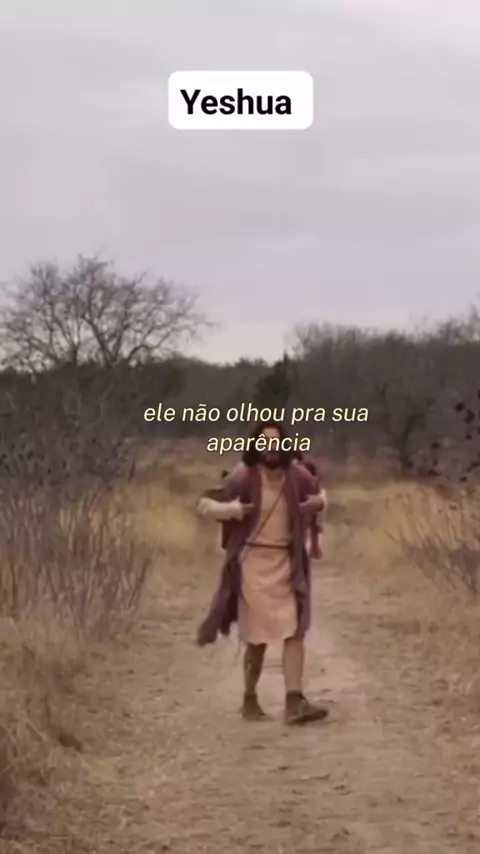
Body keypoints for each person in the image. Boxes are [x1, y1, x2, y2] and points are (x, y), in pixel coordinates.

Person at [196, 420, 329, 725]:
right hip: (253, 565)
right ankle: (249, 698)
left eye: (276, 441)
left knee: (294, 630)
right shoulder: (243, 477)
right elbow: (204, 504)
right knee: (257, 638)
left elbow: (321, 496)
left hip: (287, 565)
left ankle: (294, 701)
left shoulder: (297, 476)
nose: (271, 447)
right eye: (265, 441)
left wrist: (318, 503)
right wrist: (232, 510)